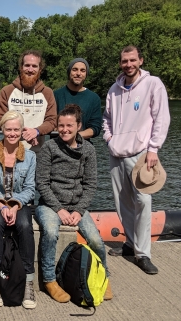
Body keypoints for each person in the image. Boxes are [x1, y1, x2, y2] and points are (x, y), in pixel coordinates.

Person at [35, 104, 113, 303]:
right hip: (51, 204)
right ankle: (49, 280)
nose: (64, 130)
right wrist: (59, 209)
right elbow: (42, 183)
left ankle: (103, 276)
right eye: (61, 125)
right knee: (51, 232)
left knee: (95, 240)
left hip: (77, 204)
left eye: (69, 125)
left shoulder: (88, 150)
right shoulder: (50, 148)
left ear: (79, 126)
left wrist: (79, 211)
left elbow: (90, 184)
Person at [103, 45, 170, 274]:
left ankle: (143, 254)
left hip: (142, 154)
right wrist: (109, 139)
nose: (128, 64)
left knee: (143, 202)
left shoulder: (153, 84)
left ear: (140, 60)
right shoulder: (114, 89)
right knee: (122, 203)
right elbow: (107, 119)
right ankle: (130, 244)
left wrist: (153, 149)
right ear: (120, 63)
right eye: (124, 61)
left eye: (132, 60)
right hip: (116, 154)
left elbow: (161, 118)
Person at [0, 110, 36, 309]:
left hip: (19, 204)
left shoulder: (29, 156)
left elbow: (30, 188)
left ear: (22, 131)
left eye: (16, 129)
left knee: (24, 224)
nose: (12, 133)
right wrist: (2, 205)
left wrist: (13, 205)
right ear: (2, 129)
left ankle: (28, 281)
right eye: (8, 129)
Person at [0, 50, 57, 152]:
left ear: (40, 69)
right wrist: (20, 130)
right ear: (21, 67)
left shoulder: (47, 93)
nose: (30, 69)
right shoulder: (7, 91)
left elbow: (52, 121)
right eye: (27, 65)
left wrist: (36, 131)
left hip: (38, 151)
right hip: (10, 152)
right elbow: (0, 119)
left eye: (34, 66)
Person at [54, 58, 102, 141]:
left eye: (82, 70)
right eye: (75, 70)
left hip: (83, 147)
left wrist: (73, 135)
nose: (78, 73)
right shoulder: (55, 95)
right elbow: (50, 122)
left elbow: (95, 128)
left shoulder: (94, 98)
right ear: (69, 72)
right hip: (57, 146)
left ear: (86, 74)